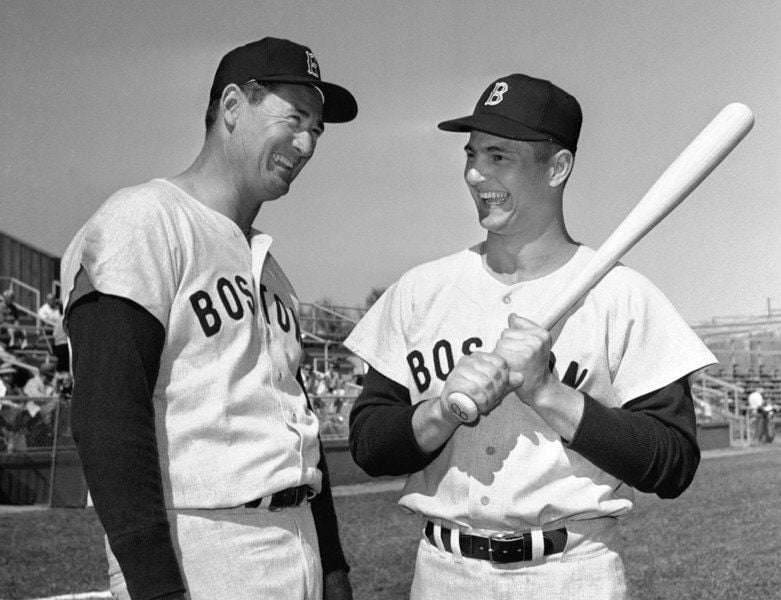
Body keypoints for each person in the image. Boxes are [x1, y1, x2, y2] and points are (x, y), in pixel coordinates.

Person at [345, 73, 715, 600]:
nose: (475, 174)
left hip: (572, 572)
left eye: (499, 157)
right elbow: (369, 447)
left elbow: (673, 463)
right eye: (471, 155)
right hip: (443, 573)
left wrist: (548, 393)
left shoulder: (623, 295)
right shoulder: (420, 289)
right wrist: (441, 411)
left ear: (557, 168)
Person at [61, 37, 357, 600]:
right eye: (295, 117)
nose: (307, 142)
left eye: (317, 129)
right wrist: (158, 588)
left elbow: (300, 430)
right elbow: (106, 417)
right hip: (202, 544)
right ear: (231, 106)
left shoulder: (272, 272)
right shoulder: (145, 220)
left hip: (295, 545)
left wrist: (334, 571)